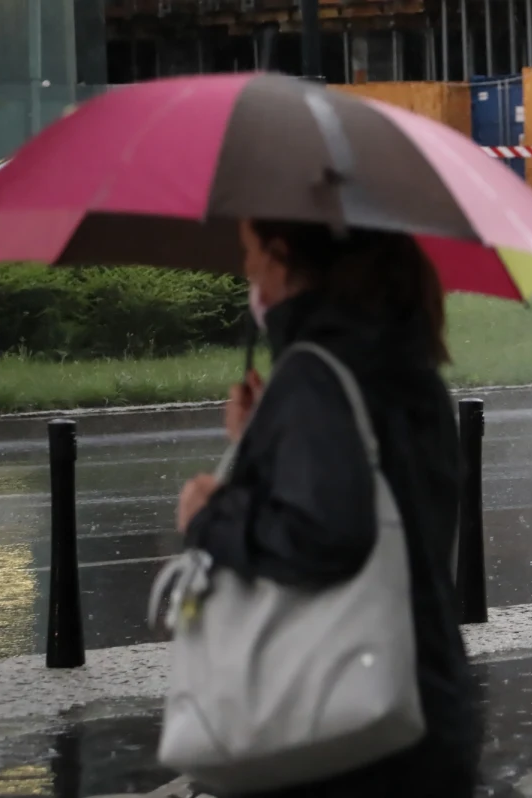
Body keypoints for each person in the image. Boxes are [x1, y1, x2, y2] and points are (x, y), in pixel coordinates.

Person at [174, 219, 481, 796]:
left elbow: (325, 534)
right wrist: (263, 437)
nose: (246, 272)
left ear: (282, 256)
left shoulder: (315, 375)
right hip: (422, 704)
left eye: (250, 253)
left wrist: (208, 516)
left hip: (337, 734)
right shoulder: (407, 368)